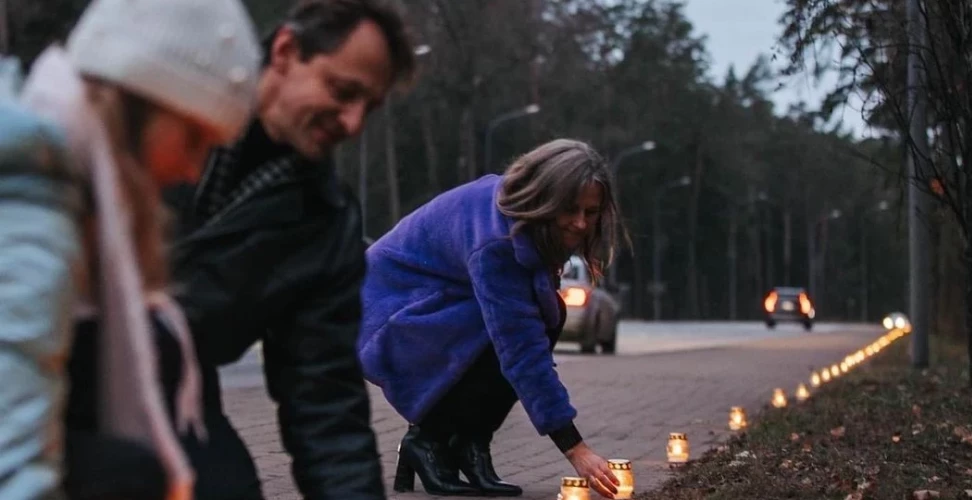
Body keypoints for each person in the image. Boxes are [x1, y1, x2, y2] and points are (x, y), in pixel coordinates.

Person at [0, 0, 261, 498]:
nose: (192, 169)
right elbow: (10, 458)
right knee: (128, 476)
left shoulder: (64, 177)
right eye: (195, 137)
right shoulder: (33, 208)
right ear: (142, 99)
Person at [164, 0, 416, 498]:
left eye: (369, 106)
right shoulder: (160, 101)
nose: (353, 123)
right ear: (285, 50)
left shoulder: (324, 224)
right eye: (344, 93)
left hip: (174, 401)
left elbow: (326, 406)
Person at [359, 139, 626, 499]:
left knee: (547, 312)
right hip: (382, 319)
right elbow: (521, 350)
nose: (579, 223)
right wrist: (575, 449)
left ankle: (471, 446)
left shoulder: (523, 218)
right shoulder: (498, 240)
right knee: (506, 332)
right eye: (570, 209)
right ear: (545, 197)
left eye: (590, 212)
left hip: (427, 309)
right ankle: (429, 442)